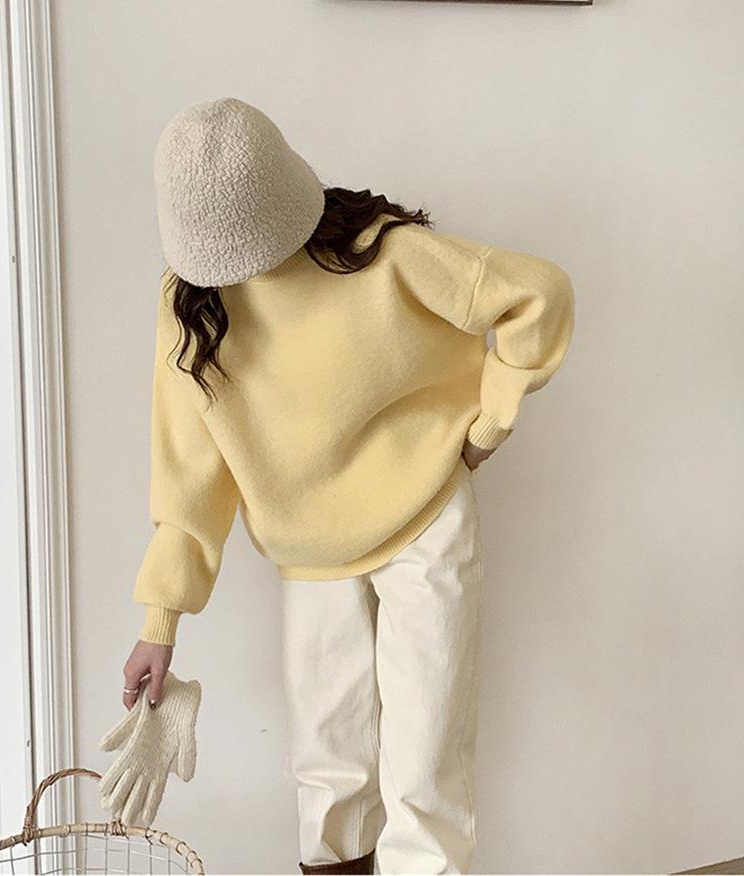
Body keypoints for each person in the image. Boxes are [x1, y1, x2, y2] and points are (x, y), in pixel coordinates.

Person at [121, 97, 576, 875]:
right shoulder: (190, 308)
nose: (241, 272)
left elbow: (539, 293)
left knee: (425, 764)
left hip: (424, 522)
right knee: (327, 769)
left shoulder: (381, 254)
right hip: (308, 551)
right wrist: (160, 622)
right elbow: (189, 477)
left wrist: (488, 423)